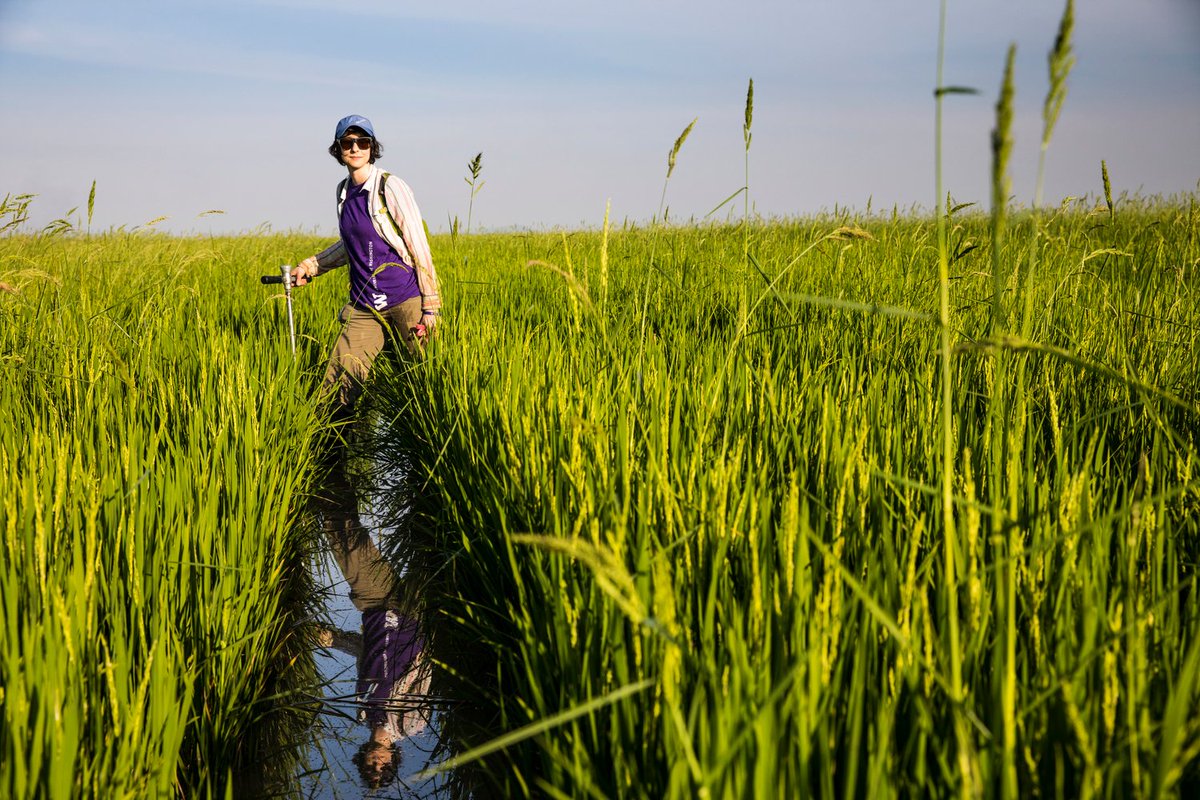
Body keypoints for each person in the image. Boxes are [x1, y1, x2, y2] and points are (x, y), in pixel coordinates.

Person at [291, 114, 442, 415]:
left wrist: (431, 306)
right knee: (337, 389)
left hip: (405, 299)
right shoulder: (343, 193)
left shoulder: (390, 186)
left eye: (363, 142)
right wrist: (311, 266)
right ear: (338, 150)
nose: (356, 148)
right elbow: (353, 246)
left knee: (427, 383)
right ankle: (331, 454)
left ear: (373, 147)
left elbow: (417, 244)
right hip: (364, 307)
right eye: (348, 143)